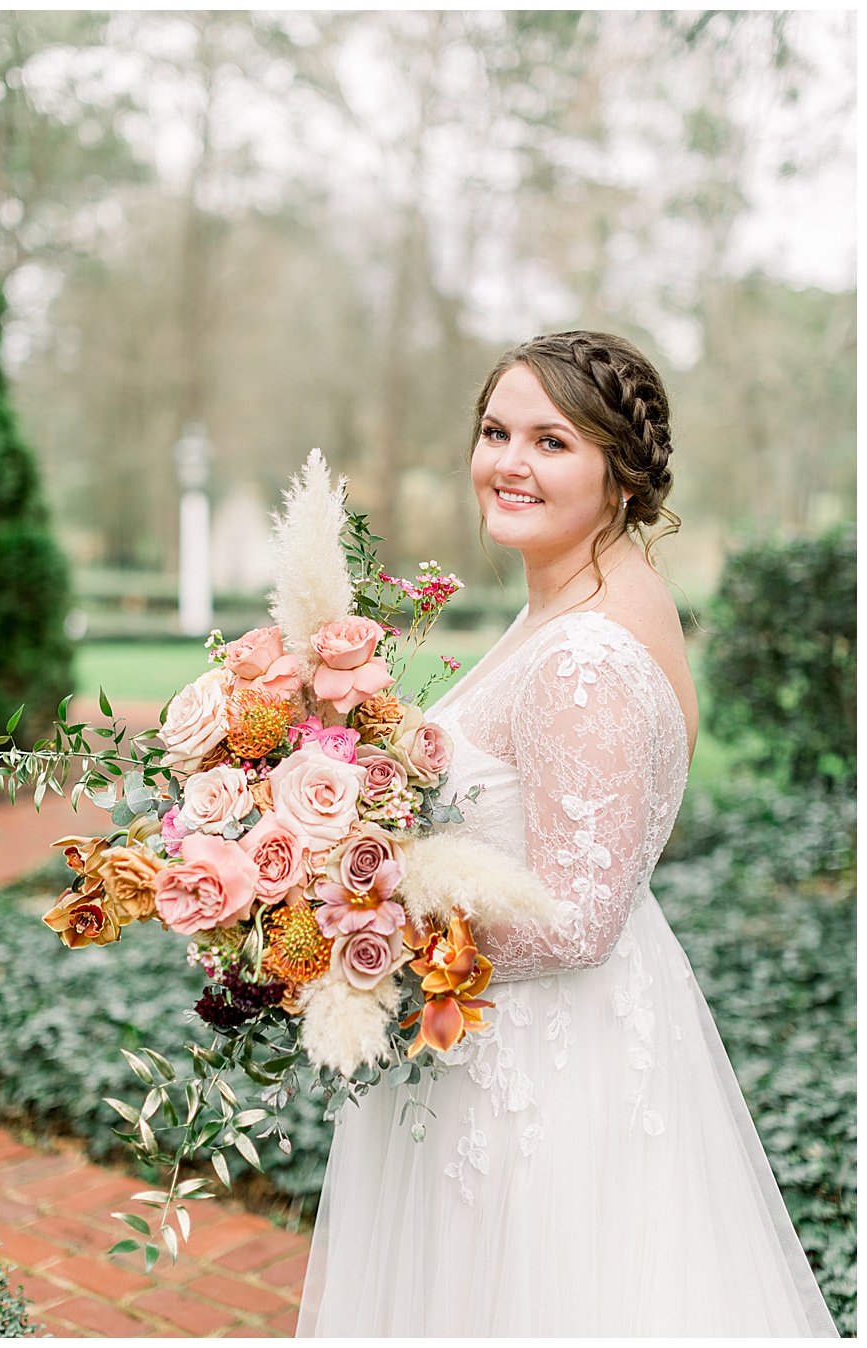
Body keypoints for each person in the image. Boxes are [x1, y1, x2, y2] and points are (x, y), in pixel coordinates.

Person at [297, 332, 836, 1336]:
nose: (508, 462)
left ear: (620, 474)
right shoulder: (576, 603)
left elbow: (577, 919)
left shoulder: (585, 651)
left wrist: (358, 937)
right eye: (497, 431)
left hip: (540, 1078)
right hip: (514, 1040)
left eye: (552, 441)